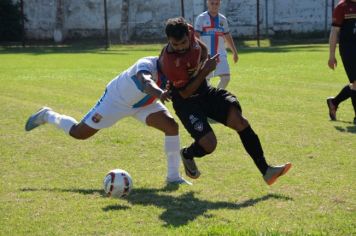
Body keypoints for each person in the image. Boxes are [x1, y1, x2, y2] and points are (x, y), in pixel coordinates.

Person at [159, 17, 291, 185]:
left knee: (239, 120)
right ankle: (187, 154)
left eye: (183, 42)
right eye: (175, 45)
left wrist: (205, 59)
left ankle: (266, 170)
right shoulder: (171, 62)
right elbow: (184, 93)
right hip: (186, 103)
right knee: (209, 144)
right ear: (169, 41)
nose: (180, 47)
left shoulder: (190, 31)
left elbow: (200, 46)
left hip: (204, 92)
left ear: (188, 33)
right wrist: (205, 69)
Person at [25, 56, 190, 185]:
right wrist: (161, 94)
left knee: (171, 126)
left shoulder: (175, 69)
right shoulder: (146, 63)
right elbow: (146, 83)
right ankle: (47, 115)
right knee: (79, 133)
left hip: (145, 104)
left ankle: (173, 177)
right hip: (115, 101)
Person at [194, 0, 238, 89]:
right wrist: (198, 53)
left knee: (226, 78)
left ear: (219, 4)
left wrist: (234, 52)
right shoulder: (201, 18)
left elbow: (227, 35)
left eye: (217, 3)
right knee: (206, 81)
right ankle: (209, 99)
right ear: (208, 3)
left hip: (220, 53)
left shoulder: (223, 19)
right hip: (206, 55)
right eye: (212, 3)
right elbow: (196, 37)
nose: (214, 6)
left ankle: (216, 95)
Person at [326, 0, 356, 124]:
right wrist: (332, 55)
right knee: (355, 82)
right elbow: (334, 31)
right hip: (349, 49)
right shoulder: (342, 6)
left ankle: (334, 102)